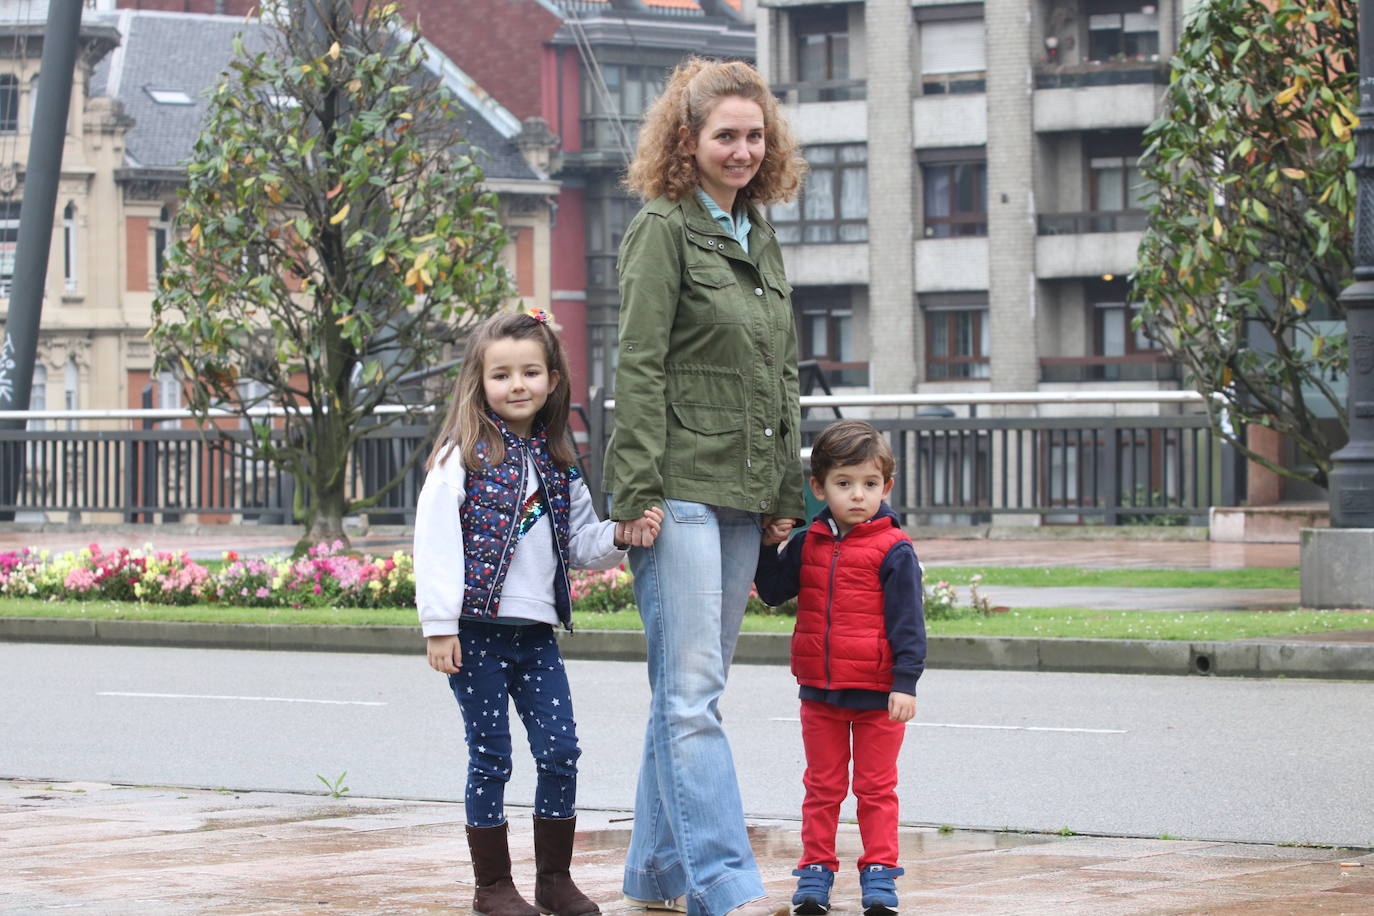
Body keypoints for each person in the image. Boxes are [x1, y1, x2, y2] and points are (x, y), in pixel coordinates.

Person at [605, 57, 807, 916]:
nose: (743, 149)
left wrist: (784, 495)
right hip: (678, 487)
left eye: (755, 135)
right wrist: (635, 491)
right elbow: (641, 365)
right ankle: (723, 882)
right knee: (693, 698)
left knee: (686, 695)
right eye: (726, 134)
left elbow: (782, 372)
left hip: (743, 488)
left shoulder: (757, 233)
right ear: (687, 141)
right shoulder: (663, 228)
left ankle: (656, 872)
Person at [414, 308, 664, 916]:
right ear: (480, 381)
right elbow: (435, 540)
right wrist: (439, 625)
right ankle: (492, 888)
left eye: (530, 372)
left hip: (536, 637)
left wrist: (622, 534)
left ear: (553, 380)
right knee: (492, 754)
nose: (517, 385)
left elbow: (580, 544)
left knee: (560, 751)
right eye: (502, 375)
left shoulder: (557, 460)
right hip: (474, 634)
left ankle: (555, 878)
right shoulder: (461, 457)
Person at [753, 420, 927, 916]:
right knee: (822, 787)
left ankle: (879, 874)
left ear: (886, 487)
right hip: (820, 693)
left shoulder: (894, 550)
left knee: (875, 790)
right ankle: (815, 872)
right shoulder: (810, 542)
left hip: (877, 696)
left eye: (869, 485)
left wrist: (906, 683)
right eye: (844, 484)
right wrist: (770, 544)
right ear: (819, 487)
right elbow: (771, 592)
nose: (857, 496)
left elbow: (909, 623)